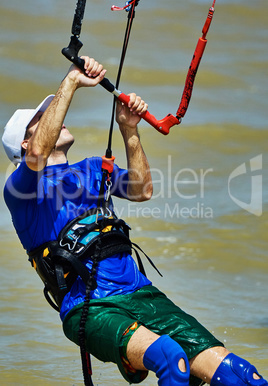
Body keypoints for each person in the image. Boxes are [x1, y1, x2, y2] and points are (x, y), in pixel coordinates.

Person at [2, 56, 267, 386]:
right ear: (25, 144)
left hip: (141, 293)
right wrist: (70, 82)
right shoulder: (20, 190)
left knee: (243, 376)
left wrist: (129, 129)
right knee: (171, 357)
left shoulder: (93, 168)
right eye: (42, 120)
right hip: (91, 307)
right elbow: (38, 156)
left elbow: (142, 189)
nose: (57, 118)